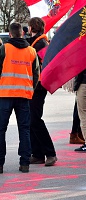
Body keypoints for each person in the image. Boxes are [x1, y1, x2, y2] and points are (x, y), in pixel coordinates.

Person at [0, 22, 39, 173]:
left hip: (5, 95)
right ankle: (24, 163)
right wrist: (30, 88)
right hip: (24, 95)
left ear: (10, 34)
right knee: (24, 129)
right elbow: (36, 74)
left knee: (1, 129)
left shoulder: (4, 49)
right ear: (22, 33)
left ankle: (0, 164)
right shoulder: (31, 51)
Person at [26, 17, 57, 167]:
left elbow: (45, 66)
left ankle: (50, 153)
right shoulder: (37, 43)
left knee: (35, 120)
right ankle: (37, 154)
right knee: (32, 120)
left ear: (32, 28)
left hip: (38, 87)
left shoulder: (41, 44)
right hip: (33, 86)